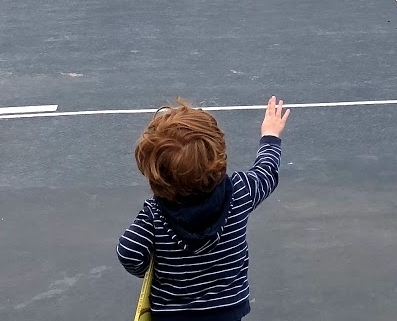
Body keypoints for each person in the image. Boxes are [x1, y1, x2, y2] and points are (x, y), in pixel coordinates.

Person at [117, 97, 290, 320]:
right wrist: (270, 137)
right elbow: (267, 173)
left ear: (155, 172)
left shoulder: (154, 215)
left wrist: (147, 270)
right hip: (227, 311)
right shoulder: (240, 191)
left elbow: (128, 252)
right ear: (217, 155)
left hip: (172, 315)